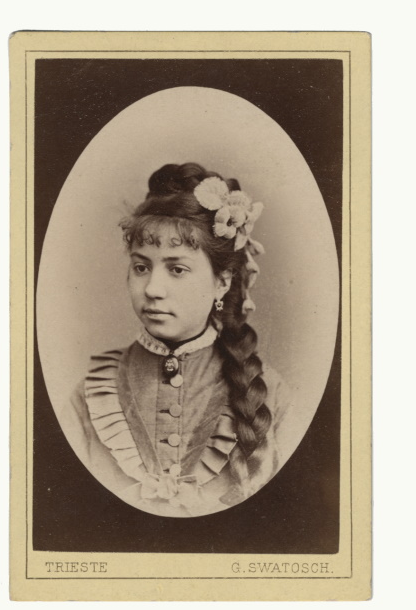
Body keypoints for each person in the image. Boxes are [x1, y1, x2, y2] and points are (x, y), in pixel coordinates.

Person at [64, 163, 291, 517]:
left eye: (177, 269)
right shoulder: (92, 394)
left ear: (222, 282)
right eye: (141, 267)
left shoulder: (269, 394)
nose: (152, 289)